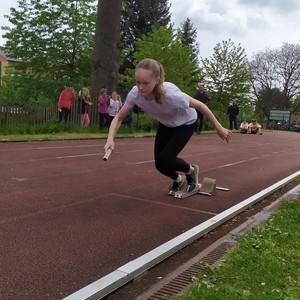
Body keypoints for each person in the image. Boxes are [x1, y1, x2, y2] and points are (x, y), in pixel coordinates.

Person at [104, 58, 232, 195]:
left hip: (186, 123)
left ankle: (191, 171)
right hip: (166, 124)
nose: (140, 87)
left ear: (157, 80)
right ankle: (178, 180)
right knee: (159, 164)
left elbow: (200, 105)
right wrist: (110, 139)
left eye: (145, 83)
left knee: (166, 158)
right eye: (138, 82)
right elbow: (118, 117)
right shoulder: (135, 94)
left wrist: (218, 127)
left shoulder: (171, 95)